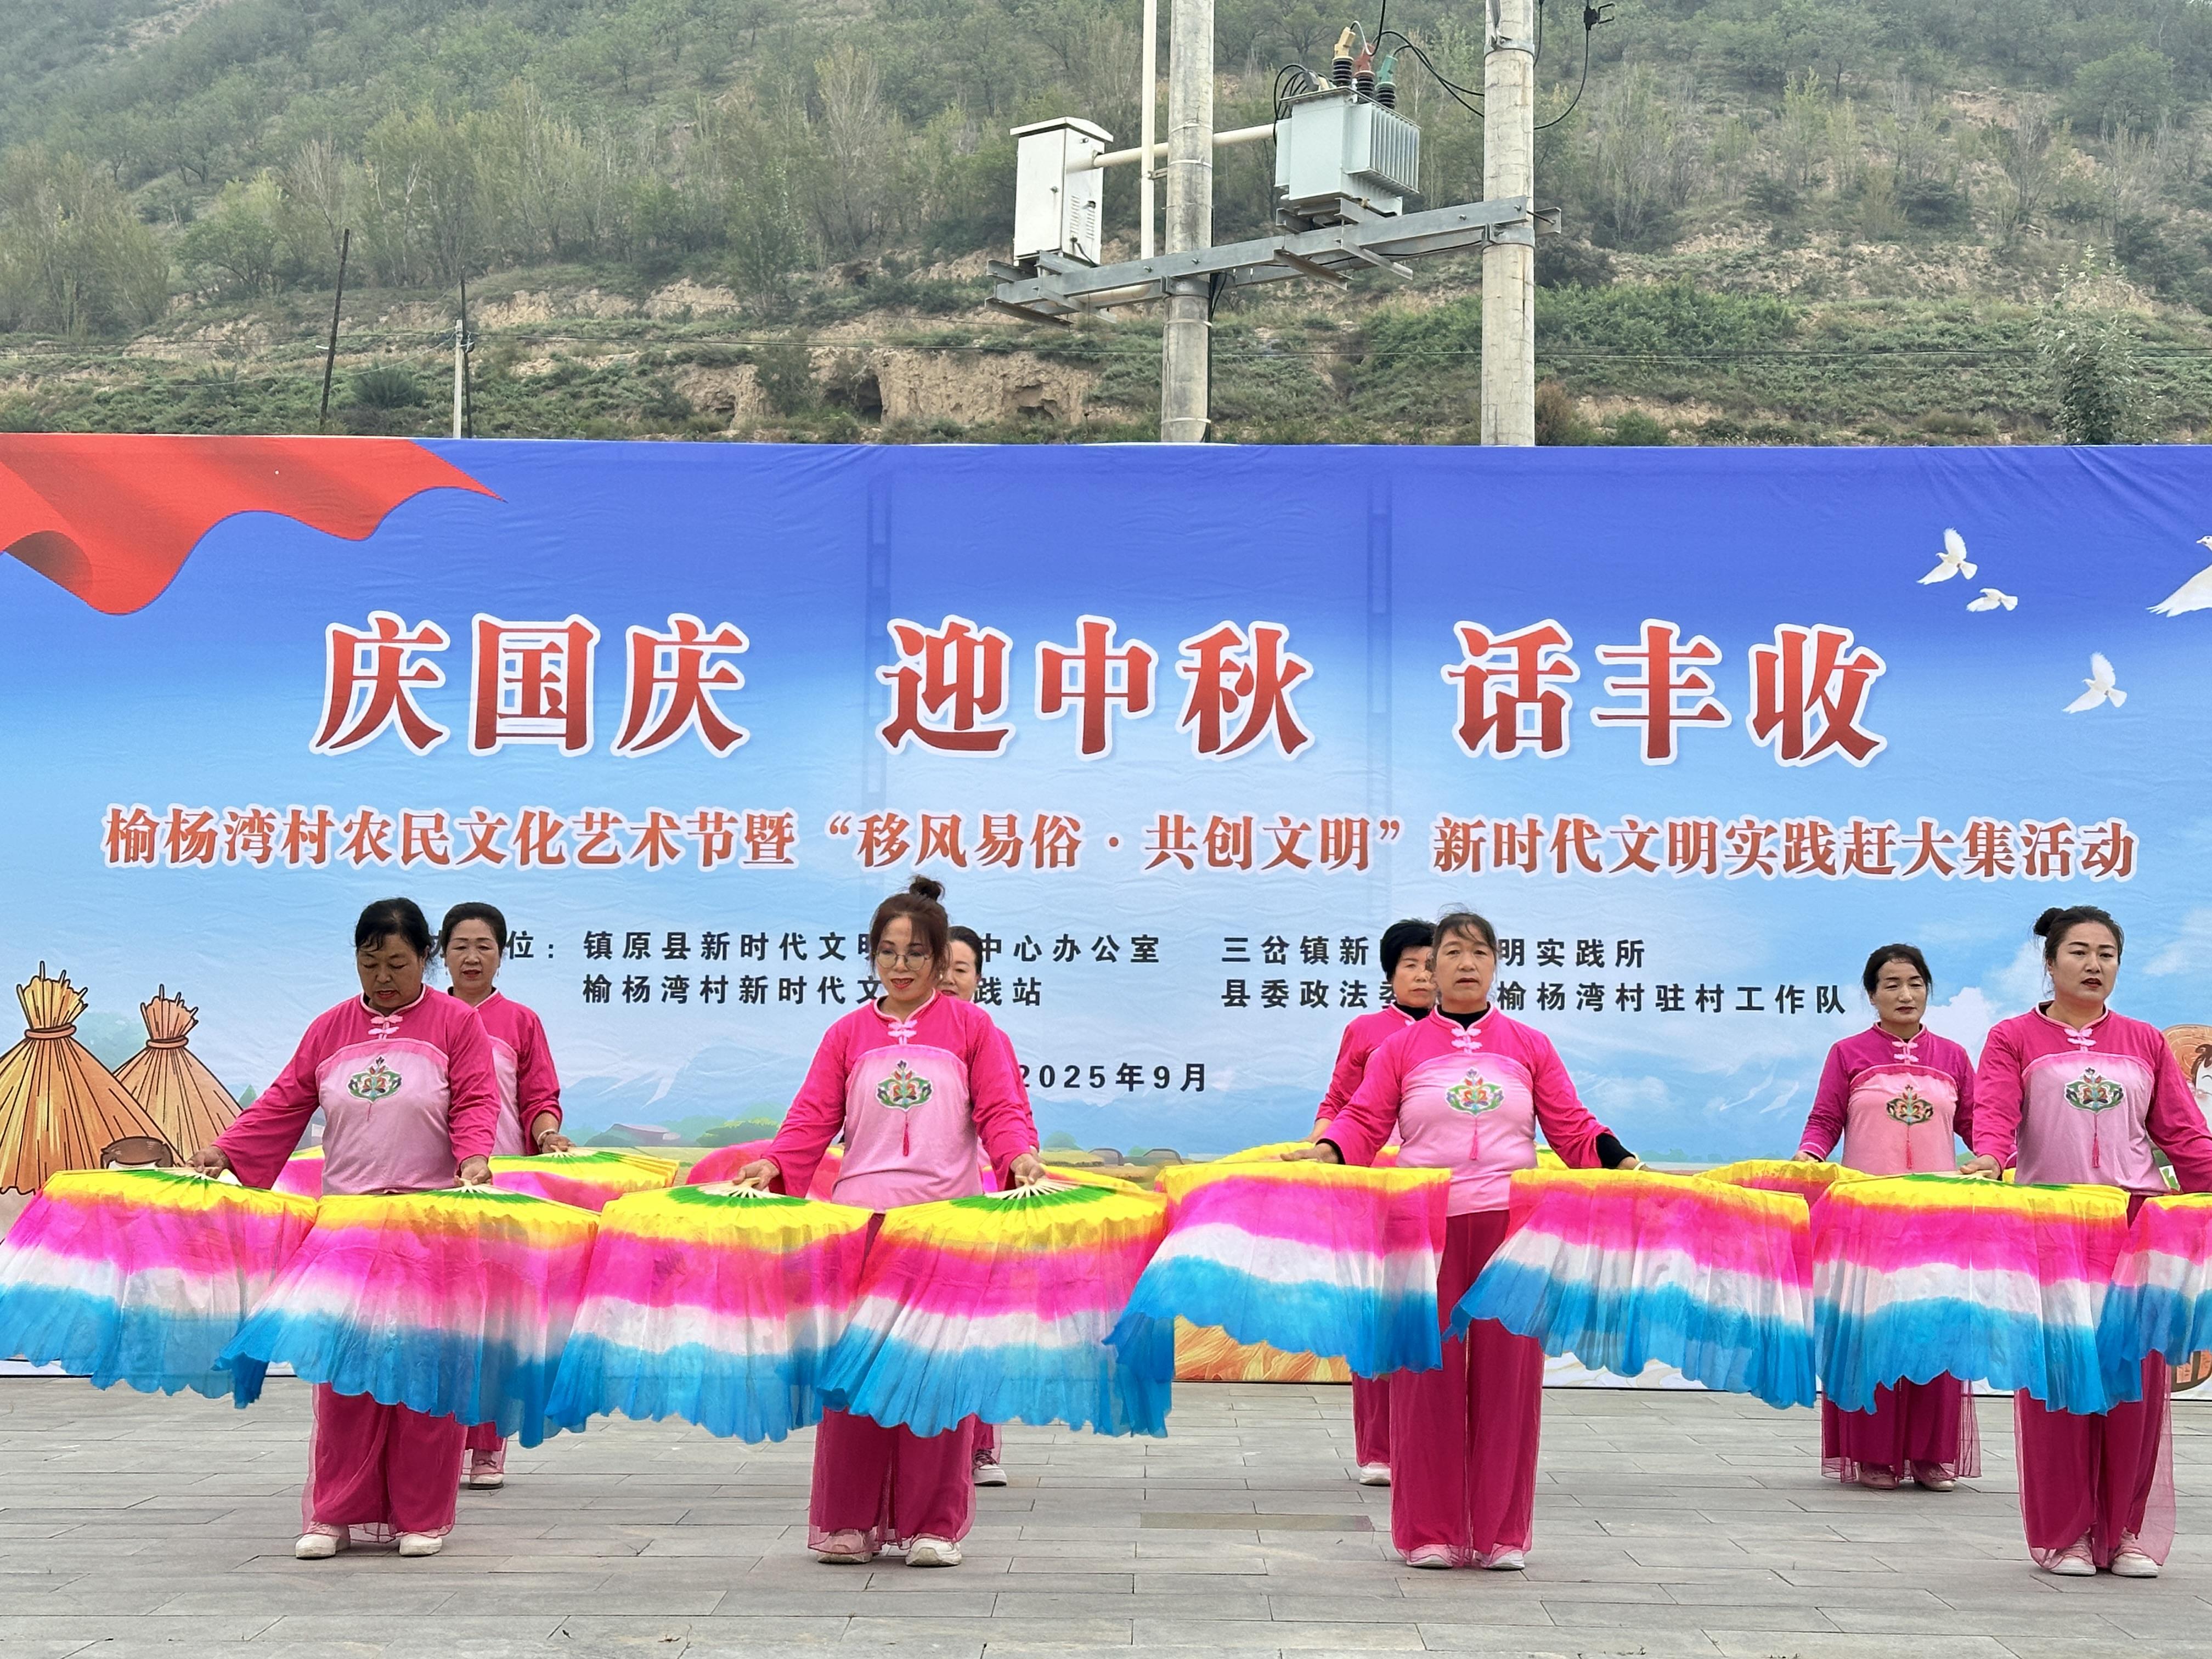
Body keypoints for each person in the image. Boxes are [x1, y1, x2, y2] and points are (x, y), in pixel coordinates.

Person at [1288, 909, 1638, 1570]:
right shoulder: (1400, 1050)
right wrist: (1329, 1151)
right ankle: (1429, 1532)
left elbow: (1572, 1126)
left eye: (1479, 952)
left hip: (1513, 1230)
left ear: (1496, 965)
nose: (1466, 963)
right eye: (1451, 952)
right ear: (1433, 967)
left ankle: (1501, 1534)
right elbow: (1363, 1120)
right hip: (1426, 1228)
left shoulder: (1530, 1045)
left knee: (1511, 1380)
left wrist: (1618, 1159)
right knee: (1428, 1378)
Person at [732, 878, 1047, 1568]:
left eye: (916, 953)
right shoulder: (847, 1034)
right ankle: (848, 1521)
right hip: (861, 1228)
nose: (900, 966)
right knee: (856, 1376)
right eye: (887, 952)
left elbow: (1001, 1110)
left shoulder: (974, 1030)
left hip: (942, 1227)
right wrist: (774, 1166)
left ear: (939, 960)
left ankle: (934, 1526)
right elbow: (811, 1118)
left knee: (934, 1376)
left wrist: (1018, 1157)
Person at [189, 898, 499, 1561]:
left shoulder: (457, 1024)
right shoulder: (330, 1028)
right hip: (348, 1223)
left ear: (426, 959)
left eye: (398, 963)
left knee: (422, 1373)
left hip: (429, 1225)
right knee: (344, 1377)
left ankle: (421, 1516)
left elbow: (477, 1098)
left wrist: (474, 1156)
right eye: (369, 962)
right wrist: (227, 1149)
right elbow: (285, 1100)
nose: (382, 977)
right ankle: (335, 1511)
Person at [1963, 905, 2212, 1579]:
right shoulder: (2013, 1037)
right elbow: (1996, 1115)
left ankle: (2124, 1531)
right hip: (2055, 1227)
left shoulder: (2145, 1041)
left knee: (2135, 1381)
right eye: (2078, 952)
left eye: (2107, 953)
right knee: (2062, 1381)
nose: (2094, 964)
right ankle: (2067, 1534)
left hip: (2136, 1228)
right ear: (2049, 963)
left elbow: (2184, 1134)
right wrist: (1988, 1158)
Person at [1794, 944, 1979, 1493]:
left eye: (1916, 983)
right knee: (1872, 1331)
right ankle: (1873, 1454)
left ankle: (1930, 1455)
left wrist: (2002, 1159)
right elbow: (1825, 1119)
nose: (1905, 994)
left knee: (1933, 1328)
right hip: (1869, 1217)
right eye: (1892, 984)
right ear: (1872, 995)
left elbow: (1978, 1124)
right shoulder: (1848, 1054)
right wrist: (1809, 1155)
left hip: (1937, 1219)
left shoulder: (1953, 1057)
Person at [439, 900, 573, 1492]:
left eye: (484, 946)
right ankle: (437, 1446)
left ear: (502, 955)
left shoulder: (520, 1022)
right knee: (441, 1320)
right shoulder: (425, 1016)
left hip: (499, 1185)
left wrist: (546, 1133)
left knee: (494, 1321)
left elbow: (540, 1096)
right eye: (460, 946)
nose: (472, 957)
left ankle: (487, 1445)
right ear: (440, 953)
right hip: (433, 1185)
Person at [1310, 919, 1436, 1488]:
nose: (1423, 976)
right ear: (1391, 974)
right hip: (1375, 1189)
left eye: (1431, 965)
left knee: (1431, 1314)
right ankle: (1379, 1449)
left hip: (1439, 1192)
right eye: (1410, 965)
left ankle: (1428, 1445)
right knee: (1378, 1312)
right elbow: (1338, 1100)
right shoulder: (1367, 1030)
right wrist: (1323, 1153)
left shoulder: (1461, 1038)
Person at [939, 923, 1012, 1488]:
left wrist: (1016, 1171)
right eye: (939, 967)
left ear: (979, 979)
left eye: (960, 969)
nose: (947, 978)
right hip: (915, 1207)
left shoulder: (986, 1036)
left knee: (972, 1329)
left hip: (976, 1200)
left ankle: (979, 1445)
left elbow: (1009, 1116)